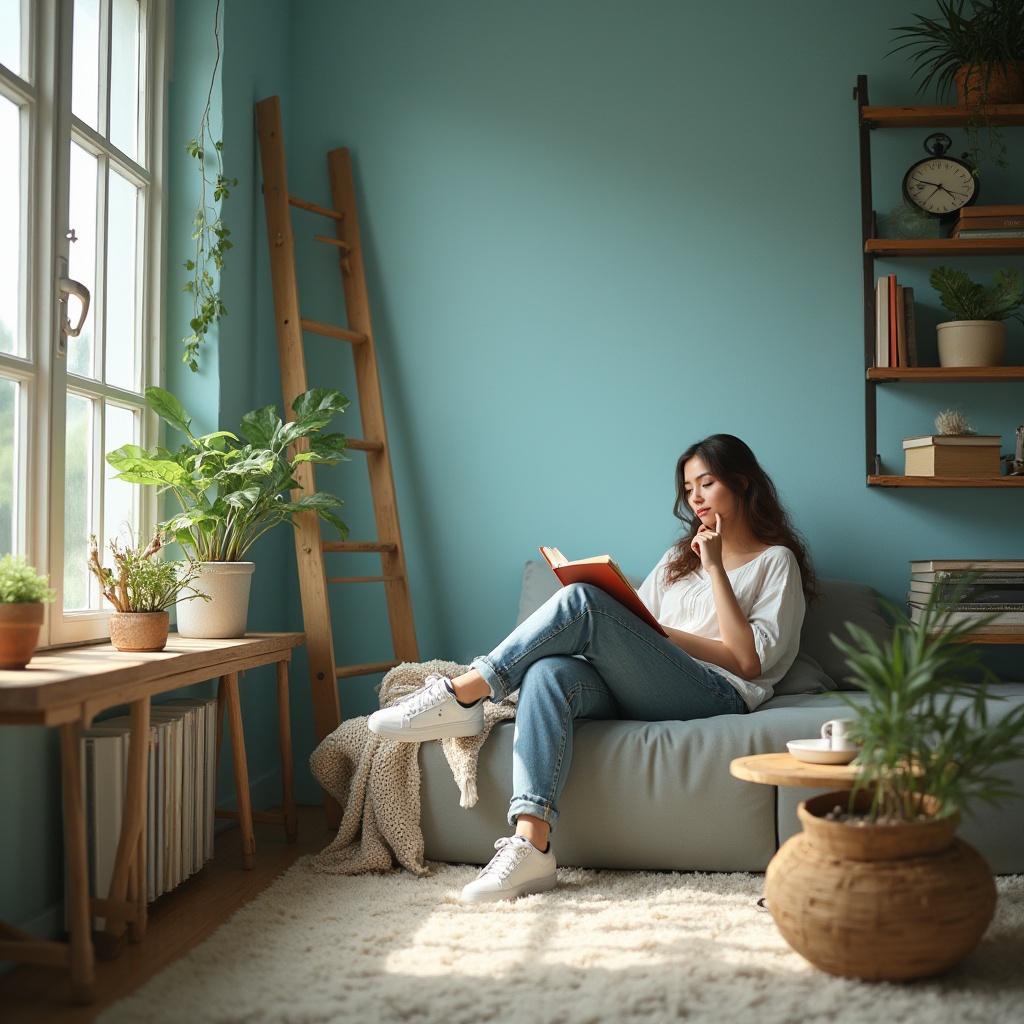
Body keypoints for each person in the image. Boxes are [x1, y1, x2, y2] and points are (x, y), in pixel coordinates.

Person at [368, 434, 818, 903]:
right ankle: (531, 844)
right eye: (688, 489)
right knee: (548, 673)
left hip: (716, 691)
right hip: (648, 683)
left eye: (707, 483)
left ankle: (465, 693)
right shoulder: (676, 560)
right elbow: (644, 628)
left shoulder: (775, 562)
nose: (696, 498)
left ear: (742, 484)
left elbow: (747, 660)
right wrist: (639, 630)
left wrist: (716, 570)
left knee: (583, 602)